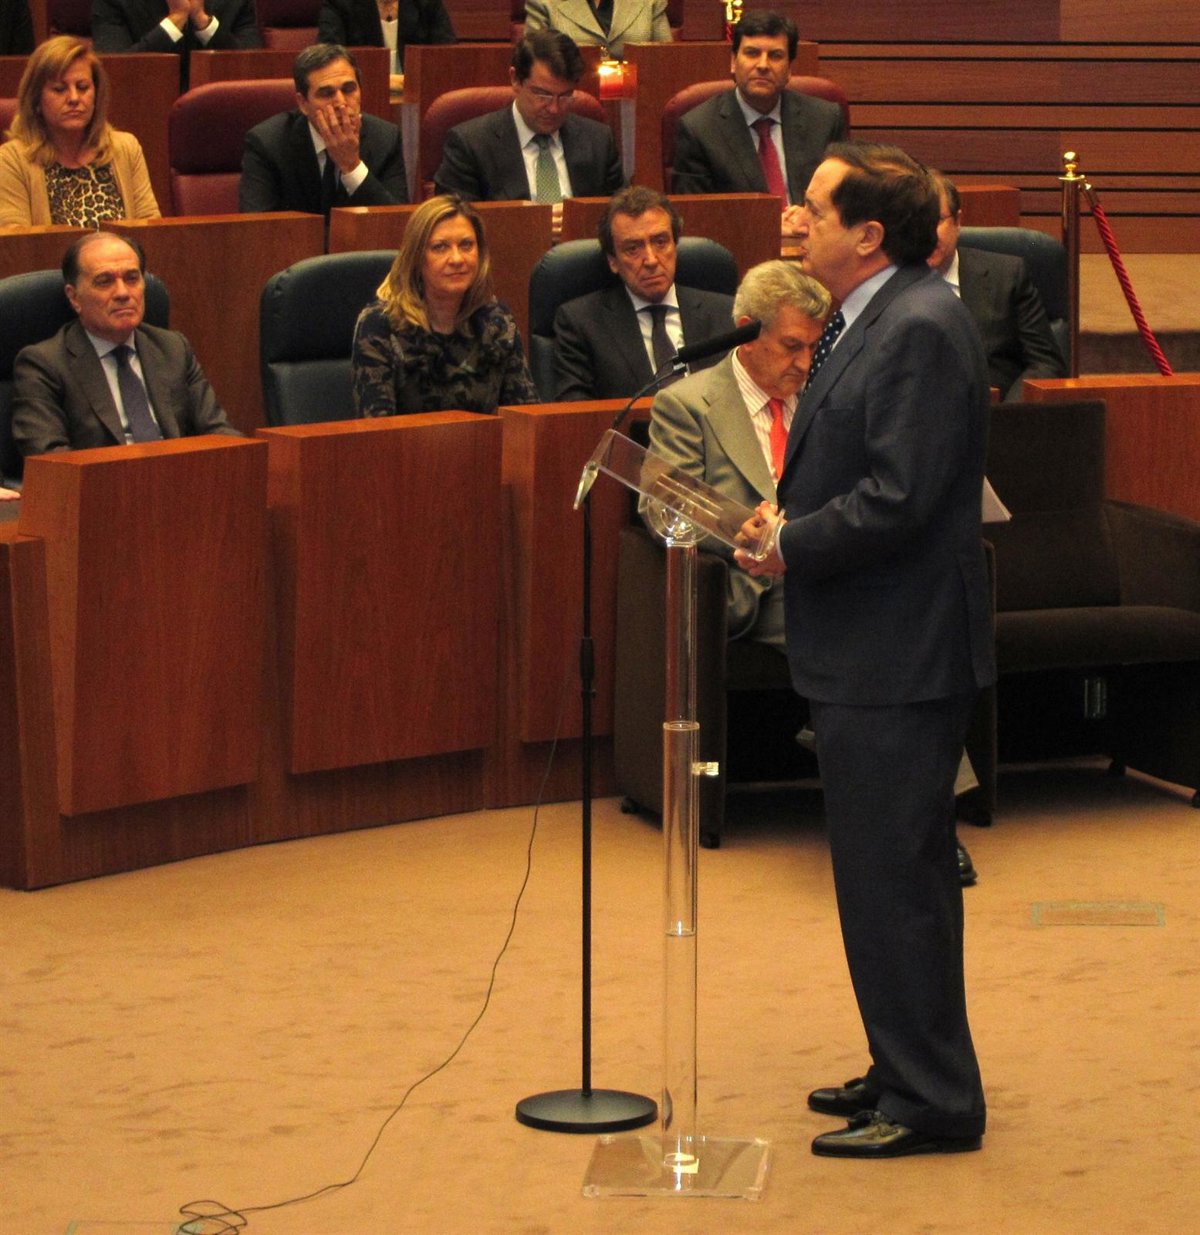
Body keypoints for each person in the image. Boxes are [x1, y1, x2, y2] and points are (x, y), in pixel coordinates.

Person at [735, 141, 994, 1157]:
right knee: (880, 875)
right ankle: (903, 1064)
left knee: (899, 879)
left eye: (814, 208)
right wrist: (786, 520)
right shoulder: (871, 314)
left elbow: (899, 496)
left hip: (900, 650)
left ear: (869, 235)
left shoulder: (919, 325)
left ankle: (932, 1099)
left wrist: (792, 543)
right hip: (871, 643)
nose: (795, 220)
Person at [13, 232, 239, 455]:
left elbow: (218, 432)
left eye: (132, 278)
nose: (122, 293)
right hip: (102, 477)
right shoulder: (44, 364)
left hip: (179, 473)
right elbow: (50, 457)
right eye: (104, 281)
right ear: (74, 297)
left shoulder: (173, 348)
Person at [352, 194, 540, 417]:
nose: (457, 259)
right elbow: (377, 429)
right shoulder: (380, 325)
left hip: (485, 441)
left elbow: (527, 418)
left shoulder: (495, 320)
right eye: (440, 247)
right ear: (416, 257)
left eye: (466, 245)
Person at [670, 10, 846, 234]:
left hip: (810, 243)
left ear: (789, 69)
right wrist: (768, 226)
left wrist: (810, 215)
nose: (763, 65)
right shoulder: (698, 129)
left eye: (775, 56)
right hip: (743, 248)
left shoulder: (824, 119)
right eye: (752, 53)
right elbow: (696, 220)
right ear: (733, 62)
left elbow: (845, 201)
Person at [552, 186, 734, 401]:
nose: (651, 260)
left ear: (675, 245)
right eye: (633, 249)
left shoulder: (725, 313)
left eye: (660, 242)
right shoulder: (581, 322)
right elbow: (576, 411)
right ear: (613, 261)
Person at [433, 29, 624, 204]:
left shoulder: (599, 141)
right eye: (543, 95)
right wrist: (529, 220)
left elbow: (621, 216)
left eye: (565, 96)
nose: (554, 109)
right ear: (515, 79)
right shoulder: (470, 145)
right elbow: (454, 223)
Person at [930, 170, 1066, 401]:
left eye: (936, 220)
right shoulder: (883, 281)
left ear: (957, 221)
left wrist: (1006, 416)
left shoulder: (1007, 275)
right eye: (914, 223)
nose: (925, 234)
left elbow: (1045, 364)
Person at [0, 37, 160, 228]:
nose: (74, 98)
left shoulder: (126, 148)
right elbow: (17, 241)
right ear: (36, 100)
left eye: (83, 87)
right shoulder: (12, 160)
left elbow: (151, 232)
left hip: (124, 250)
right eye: (59, 89)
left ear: (96, 95)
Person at [239, 44, 407, 218]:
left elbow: (398, 222)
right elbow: (257, 226)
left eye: (348, 89)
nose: (341, 103)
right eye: (327, 94)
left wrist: (352, 167)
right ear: (303, 103)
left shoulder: (385, 138)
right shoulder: (267, 143)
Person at [92, 0, 262, 87]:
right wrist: (175, 21)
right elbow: (113, 72)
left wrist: (202, 20)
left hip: (219, 115)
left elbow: (255, 70)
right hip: (142, 111)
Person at [316, 0, 454, 77]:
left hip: (417, 97)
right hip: (366, 95)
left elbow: (447, 55)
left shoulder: (428, 3)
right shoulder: (339, 3)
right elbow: (328, 57)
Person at [523, 0, 670, 60]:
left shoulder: (650, 1)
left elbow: (666, 58)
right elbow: (534, 61)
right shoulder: (544, 2)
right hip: (570, 97)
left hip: (639, 98)